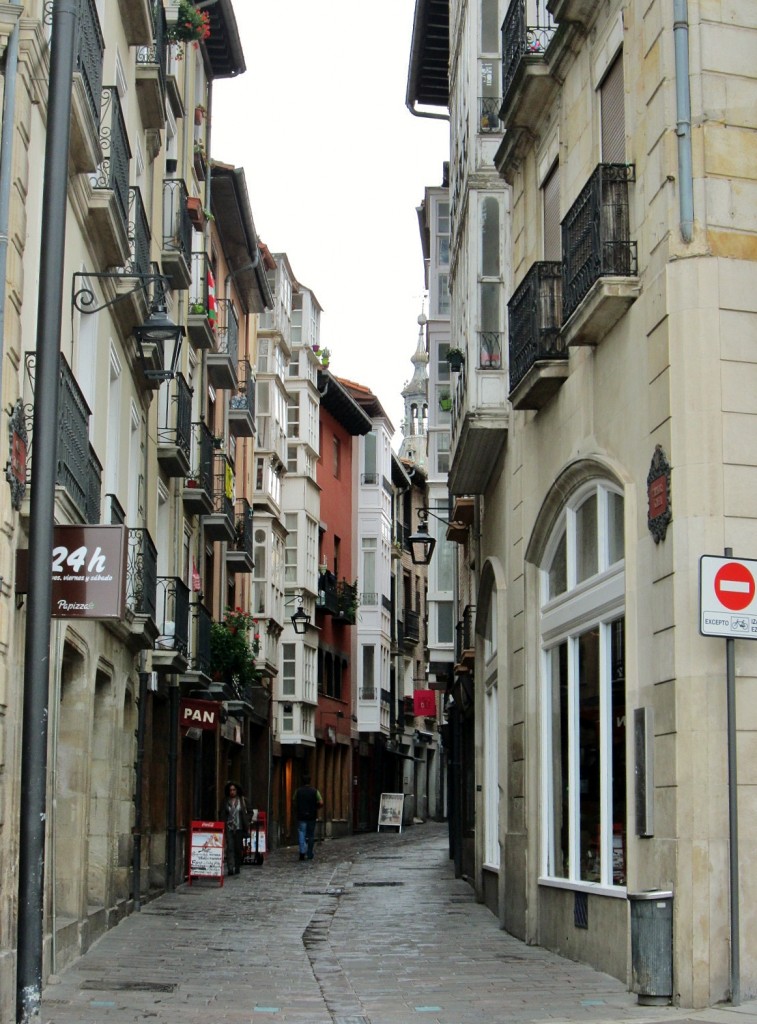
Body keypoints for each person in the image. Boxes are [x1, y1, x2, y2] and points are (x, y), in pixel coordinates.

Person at [220, 781, 249, 875]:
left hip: (239, 827)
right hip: (229, 828)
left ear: (237, 791)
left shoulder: (242, 800)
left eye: (234, 790)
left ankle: (237, 866)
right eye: (230, 790)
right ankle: (230, 868)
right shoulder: (225, 801)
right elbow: (222, 813)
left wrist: (247, 820)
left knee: (238, 848)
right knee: (230, 848)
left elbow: (250, 811)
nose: (232, 791)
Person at [293, 774, 323, 861]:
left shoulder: (298, 791)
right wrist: (316, 807)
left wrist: (297, 808)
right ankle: (309, 853)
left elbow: (294, 801)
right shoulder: (315, 791)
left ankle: (302, 852)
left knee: (301, 833)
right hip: (311, 816)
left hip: (301, 816)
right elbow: (321, 802)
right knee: (310, 835)